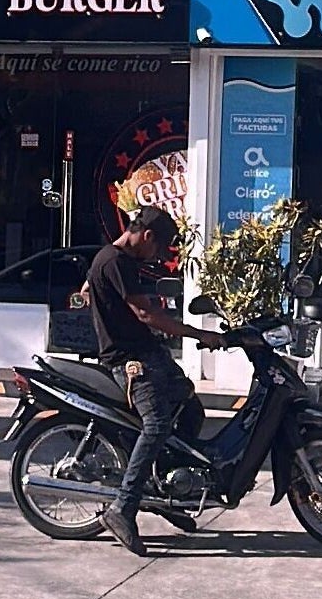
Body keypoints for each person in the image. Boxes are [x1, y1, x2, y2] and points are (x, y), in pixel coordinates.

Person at [87, 205, 221, 556]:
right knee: (158, 424)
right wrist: (197, 334)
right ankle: (122, 508)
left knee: (189, 410)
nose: (158, 256)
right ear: (147, 236)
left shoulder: (118, 262)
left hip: (149, 353)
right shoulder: (114, 261)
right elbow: (146, 314)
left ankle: (165, 493)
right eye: (159, 248)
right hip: (129, 361)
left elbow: (88, 288)